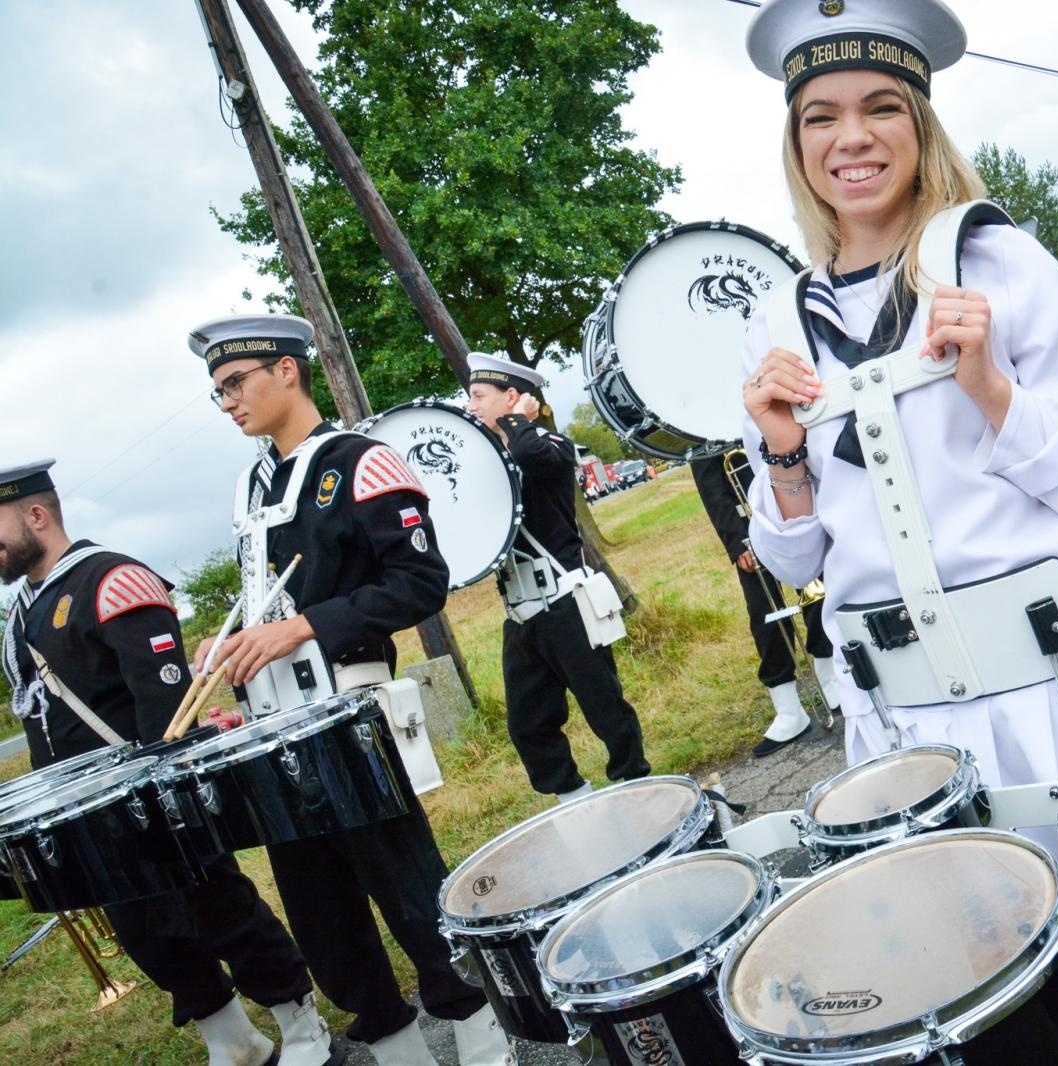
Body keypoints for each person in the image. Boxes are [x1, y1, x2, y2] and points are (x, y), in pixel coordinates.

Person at [740, 2, 1058, 1061]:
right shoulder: (778, 313)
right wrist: (782, 453)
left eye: (882, 107)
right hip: (898, 717)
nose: (852, 137)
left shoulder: (1000, 259)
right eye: (822, 117)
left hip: (1043, 687)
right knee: (976, 999)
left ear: (921, 123)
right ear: (796, 143)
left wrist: (989, 388)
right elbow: (798, 562)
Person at [187, 316, 510, 1064]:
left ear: (287, 372)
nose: (228, 402)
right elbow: (265, 600)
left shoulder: (363, 462)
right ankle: (398, 1047)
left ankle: (483, 1037)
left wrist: (305, 626)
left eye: (236, 383)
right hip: (274, 727)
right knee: (321, 910)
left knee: (409, 890)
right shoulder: (252, 483)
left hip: (347, 713)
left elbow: (421, 583)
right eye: (218, 393)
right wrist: (230, 643)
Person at [0, 460, 341, 1066]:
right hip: (85, 816)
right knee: (148, 934)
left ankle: (303, 1027)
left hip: (151, 798)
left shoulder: (112, 581)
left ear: (35, 515)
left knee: (222, 911)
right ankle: (235, 1042)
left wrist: (164, 794)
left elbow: (162, 708)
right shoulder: (22, 611)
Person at [463, 352, 650, 802]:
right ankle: (574, 798)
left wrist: (517, 420)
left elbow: (530, 454)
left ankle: (638, 785)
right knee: (527, 723)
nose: (470, 406)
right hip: (520, 611)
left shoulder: (548, 443)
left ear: (511, 397)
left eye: (479, 396)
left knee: (604, 704)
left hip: (566, 600)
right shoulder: (486, 461)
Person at [690, 454, 841, 756]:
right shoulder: (701, 423)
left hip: (791, 507)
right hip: (747, 528)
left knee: (819, 591)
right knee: (765, 614)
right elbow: (711, 489)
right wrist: (736, 544)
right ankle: (788, 709)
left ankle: (830, 676)